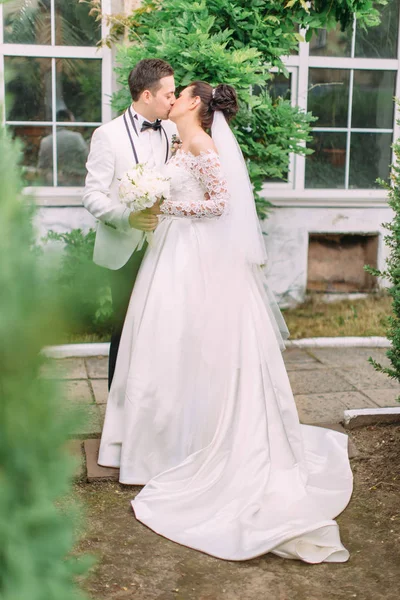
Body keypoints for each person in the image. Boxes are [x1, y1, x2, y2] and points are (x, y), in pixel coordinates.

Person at [98, 81, 353, 563]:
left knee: (189, 343)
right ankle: (155, 445)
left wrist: (163, 205)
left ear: (194, 103)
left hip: (193, 256)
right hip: (171, 252)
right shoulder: (178, 141)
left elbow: (219, 204)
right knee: (161, 344)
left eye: (180, 94)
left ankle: (185, 447)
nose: (170, 100)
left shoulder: (202, 143)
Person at [83, 59, 177, 389]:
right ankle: (118, 409)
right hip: (123, 250)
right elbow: (92, 196)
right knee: (125, 328)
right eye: (169, 94)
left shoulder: (173, 131)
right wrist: (128, 217)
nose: (174, 101)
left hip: (165, 246)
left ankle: (152, 403)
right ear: (147, 95)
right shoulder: (107, 136)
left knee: (161, 328)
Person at [38, 109, 89, 186]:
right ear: (67, 121)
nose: (74, 125)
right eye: (72, 122)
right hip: (76, 183)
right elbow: (88, 159)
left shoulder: (46, 141)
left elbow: (42, 167)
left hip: (53, 184)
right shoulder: (76, 138)